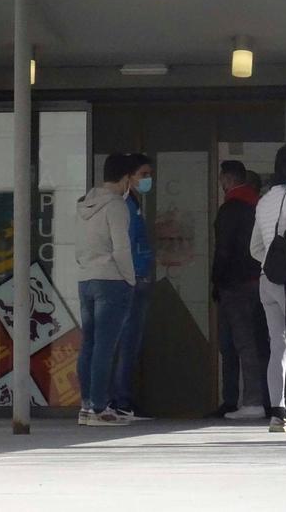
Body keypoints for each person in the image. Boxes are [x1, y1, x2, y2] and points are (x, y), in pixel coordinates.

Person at [250, 145, 286, 432]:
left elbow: (255, 248)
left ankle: (278, 413)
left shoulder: (264, 201)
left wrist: (269, 264)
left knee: (279, 345)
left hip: (267, 280)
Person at [75, 153, 136, 426]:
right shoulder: (116, 206)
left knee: (88, 343)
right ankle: (100, 407)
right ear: (125, 179)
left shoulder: (84, 204)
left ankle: (87, 405)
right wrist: (130, 279)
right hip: (111, 280)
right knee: (105, 346)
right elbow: (121, 247)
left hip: (86, 279)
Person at [211, 159, 265, 420]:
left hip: (234, 284)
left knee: (237, 343)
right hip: (259, 282)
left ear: (227, 178)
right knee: (253, 342)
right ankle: (258, 398)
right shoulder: (258, 206)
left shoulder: (230, 209)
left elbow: (223, 250)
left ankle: (243, 400)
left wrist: (216, 281)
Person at [109, 153, 155, 421]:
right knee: (126, 343)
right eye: (144, 175)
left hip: (137, 276)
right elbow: (125, 245)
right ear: (129, 178)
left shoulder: (134, 204)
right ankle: (121, 401)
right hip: (132, 279)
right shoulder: (124, 206)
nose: (148, 180)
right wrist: (134, 275)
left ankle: (122, 399)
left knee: (130, 343)